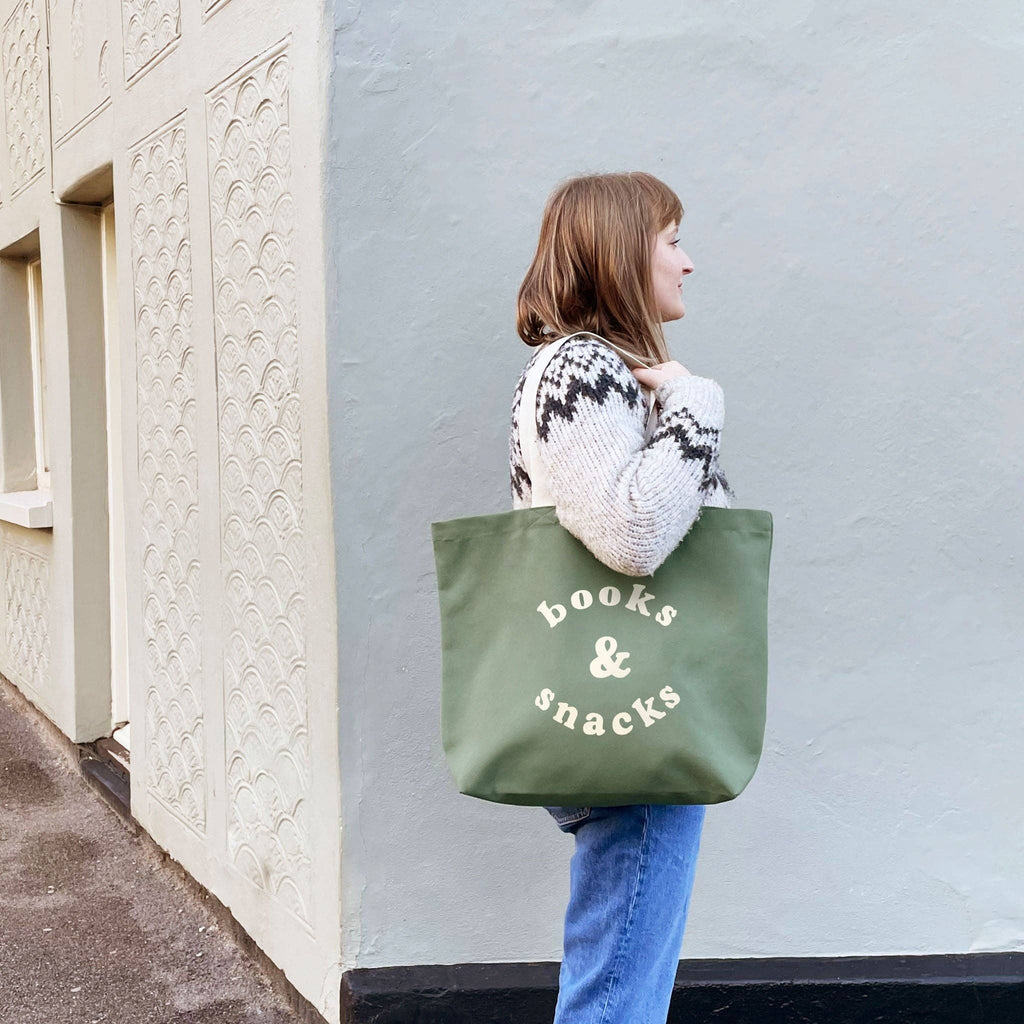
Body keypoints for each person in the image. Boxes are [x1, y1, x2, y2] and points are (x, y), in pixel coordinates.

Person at [508, 171, 735, 1023]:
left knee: (619, 981)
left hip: (629, 699)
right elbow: (633, 533)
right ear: (619, 251)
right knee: (616, 1000)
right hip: (632, 710)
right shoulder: (582, 368)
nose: (688, 261)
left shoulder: (592, 370)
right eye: (671, 240)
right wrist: (697, 404)